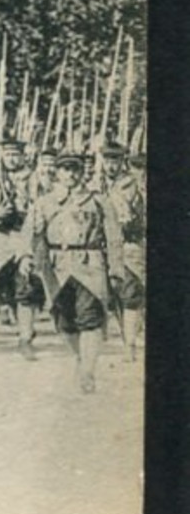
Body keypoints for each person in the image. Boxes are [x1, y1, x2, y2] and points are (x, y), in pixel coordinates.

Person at [18, 151, 125, 393]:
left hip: (91, 263)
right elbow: (30, 232)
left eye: (75, 169)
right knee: (64, 322)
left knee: (90, 318)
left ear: (82, 172)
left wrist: (116, 269)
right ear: (57, 172)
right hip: (57, 267)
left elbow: (114, 236)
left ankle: (87, 371)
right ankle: (81, 356)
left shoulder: (98, 201)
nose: (71, 174)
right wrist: (25, 256)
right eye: (65, 169)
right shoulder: (44, 202)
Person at [0, 138, 46, 360]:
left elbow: (45, 205)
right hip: (1, 241)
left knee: (26, 286)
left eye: (15, 155)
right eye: (7, 155)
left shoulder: (35, 179)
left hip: (26, 237)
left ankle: (25, 338)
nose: (11, 159)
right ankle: (11, 313)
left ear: (23, 156)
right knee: (3, 286)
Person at [101, 144, 145, 360]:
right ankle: (126, 336)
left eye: (115, 161)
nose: (111, 165)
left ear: (122, 162)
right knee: (112, 296)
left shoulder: (129, 185)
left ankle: (130, 344)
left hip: (127, 246)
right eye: (107, 161)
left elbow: (128, 218)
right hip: (102, 248)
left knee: (130, 294)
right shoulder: (95, 184)